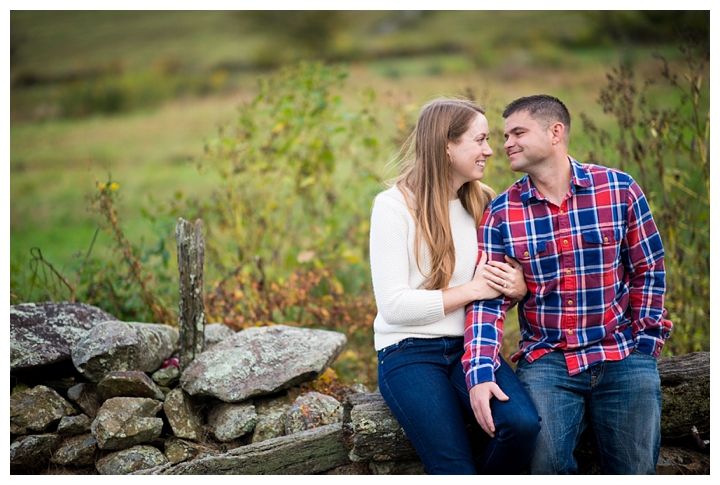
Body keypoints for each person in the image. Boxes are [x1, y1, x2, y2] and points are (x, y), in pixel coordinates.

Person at [462, 94, 673, 474]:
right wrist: (479, 373)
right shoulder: (501, 213)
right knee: (546, 466)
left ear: (555, 132)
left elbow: (649, 267)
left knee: (635, 470)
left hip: (622, 353)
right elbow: (487, 303)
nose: (504, 144)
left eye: (517, 132)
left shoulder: (618, 189)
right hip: (548, 361)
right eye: (504, 135)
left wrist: (646, 344)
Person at [369, 97, 540, 475]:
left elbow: (500, 280)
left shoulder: (484, 202)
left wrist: (517, 285)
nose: (490, 150)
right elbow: (394, 306)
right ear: (447, 146)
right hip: (408, 353)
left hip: (471, 348)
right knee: (453, 468)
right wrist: (472, 290)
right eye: (479, 140)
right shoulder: (393, 207)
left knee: (522, 425)